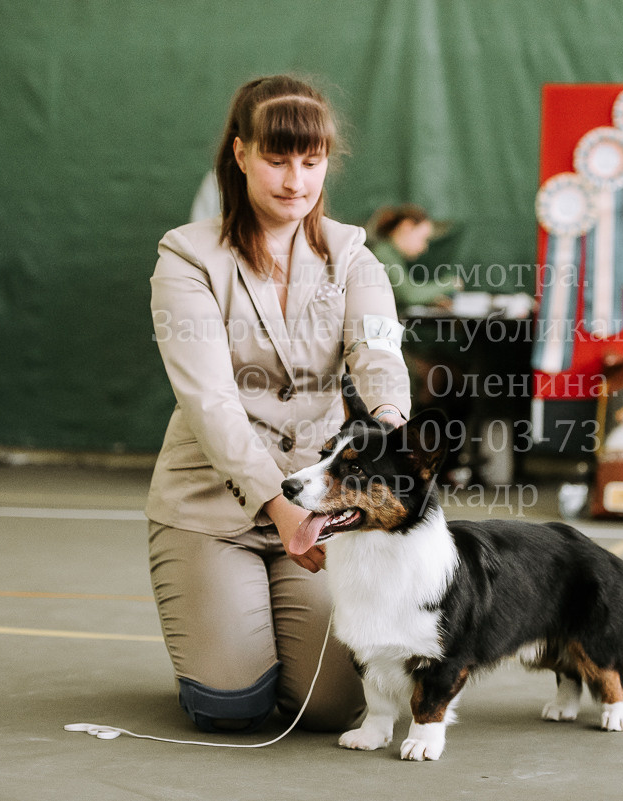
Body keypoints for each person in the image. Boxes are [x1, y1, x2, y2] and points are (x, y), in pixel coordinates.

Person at [146, 75, 411, 734]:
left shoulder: (353, 255)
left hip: (321, 508)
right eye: (277, 158)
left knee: (332, 707)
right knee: (230, 708)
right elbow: (209, 400)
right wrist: (277, 502)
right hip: (210, 503)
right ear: (240, 155)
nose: (296, 180)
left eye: (311, 161)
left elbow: (379, 359)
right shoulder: (187, 257)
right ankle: (221, 655)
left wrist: (388, 441)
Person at [365, 204, 458, 311]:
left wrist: (431, 300)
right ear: (406, 227)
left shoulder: (388, 253)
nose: (424, 248)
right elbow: (408, 295)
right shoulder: (382, 253)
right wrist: (451, 283)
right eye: (423, 238)